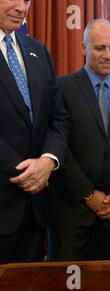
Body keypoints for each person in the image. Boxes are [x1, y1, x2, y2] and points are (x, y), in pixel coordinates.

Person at [48, 19, 110, 261]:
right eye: (100, 48)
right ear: (84, 48)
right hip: (70, 212)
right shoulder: (61, 87)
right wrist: (89, 194)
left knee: (105, 288)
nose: (108, 55)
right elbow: (58, 146)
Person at [0, 0, 69, 264]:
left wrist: (48, 161)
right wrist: (27, 171)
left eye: (27, 0)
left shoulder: (38, 52)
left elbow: (59, 119)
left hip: (37, 210)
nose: (21, 7)